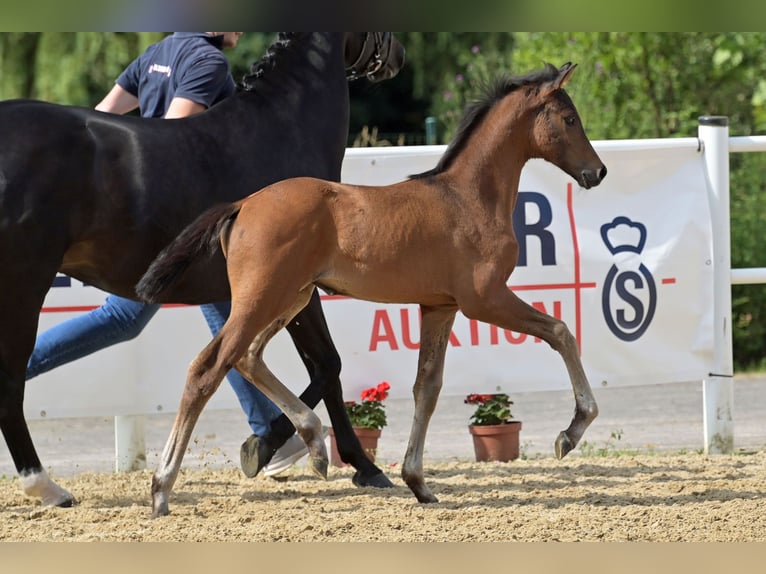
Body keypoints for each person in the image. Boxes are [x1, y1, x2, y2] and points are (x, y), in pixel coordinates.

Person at [27, 32, 313, 478]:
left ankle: (273, 431)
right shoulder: (208, 61)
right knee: (223, 319)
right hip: (182, 222)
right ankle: (273, 431)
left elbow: (101, 117)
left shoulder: (157, 53)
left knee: (134, 319)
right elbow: (171, 140)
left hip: (155, 219)